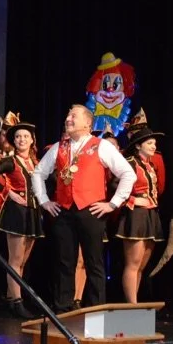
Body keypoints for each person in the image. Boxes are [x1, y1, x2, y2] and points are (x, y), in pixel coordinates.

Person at [32, 105, 135, 311]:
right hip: (63, 211)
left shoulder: (101, 146)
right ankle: (63, 309)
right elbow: (38, 173)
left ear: (88, 123)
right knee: (64, 262)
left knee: (94, 262)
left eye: (73, 116)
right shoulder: (59, 147)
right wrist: (44, 200)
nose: (68, 119)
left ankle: (96, 310)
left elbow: (128, 173)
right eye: (67, 115)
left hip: (91, 211)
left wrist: (112, 203)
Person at [0, 121, 42, 318]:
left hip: (32, 212)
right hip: (16, 212)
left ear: (32, 140)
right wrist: (8, 192)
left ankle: (11, 298)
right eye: (18, 137)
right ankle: (17, 302)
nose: (22, 140)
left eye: (25, 136)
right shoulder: (11, 161)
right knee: (15, 260)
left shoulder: (35, 162)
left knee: (23, 260)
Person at [117, 115, 164, 305]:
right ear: (138, 145)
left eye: (154, 143)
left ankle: (133, 303)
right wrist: (133, 200)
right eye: (149, 143)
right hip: (135, 215)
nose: (153, 146)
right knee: (133, 263)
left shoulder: (150, 165)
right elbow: (114, 186)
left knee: (142, 264)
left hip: (151, 214)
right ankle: (131, 305)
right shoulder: (129, 162)